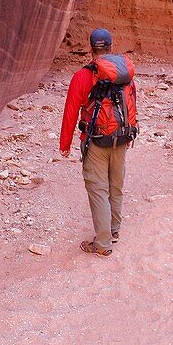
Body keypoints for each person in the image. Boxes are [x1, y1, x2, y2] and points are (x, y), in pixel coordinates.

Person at [59, 28, 138, 257]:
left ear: (91, 48)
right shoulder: (125, 74)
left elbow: (71, 111)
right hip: (121, 138)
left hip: (96, 141)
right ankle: (113, 231)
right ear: (111, 47)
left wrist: (65, 144)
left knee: (98, 189)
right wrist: (129, 131)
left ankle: (103, 244)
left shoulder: (83, 76)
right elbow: (131, 101)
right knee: (116, 186)